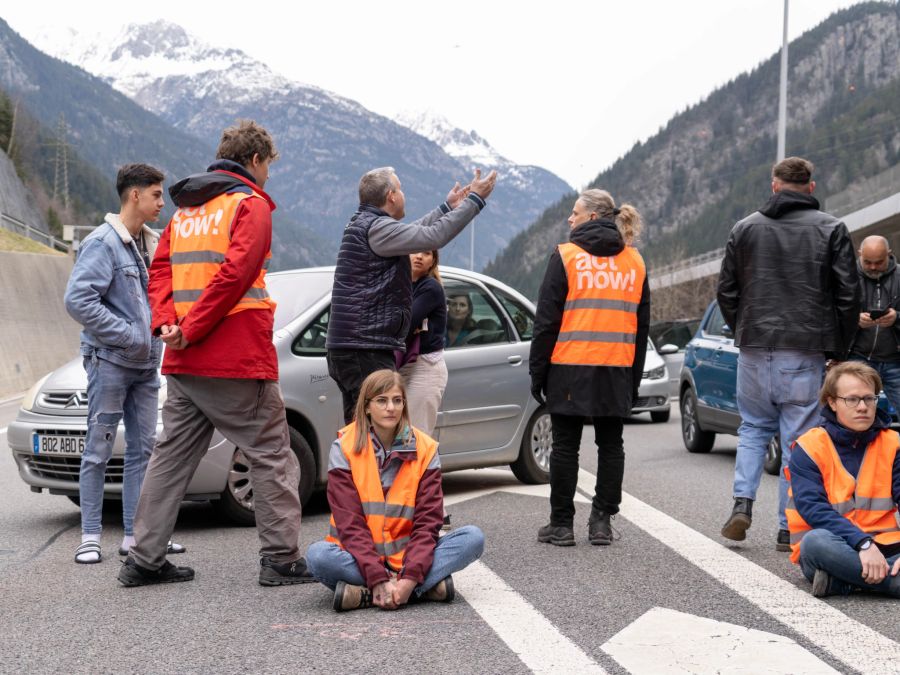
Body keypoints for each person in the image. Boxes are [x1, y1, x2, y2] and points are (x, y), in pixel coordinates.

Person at [119, 120, 311, 587]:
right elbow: (237, 274)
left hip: (186, 362)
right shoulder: (251, 205)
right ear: (257, 160)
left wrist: (168, 323)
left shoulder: (185, 214)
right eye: (269, 167)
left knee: (170, 460)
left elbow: (159, 271)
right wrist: (192, 327)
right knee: (270, 454)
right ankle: (281, 558)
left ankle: (144, 559)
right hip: (235, 358)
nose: (268, 177)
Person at [717, 156, 859, 552]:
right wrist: (839, 350)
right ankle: (787, 526)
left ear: (774, 185)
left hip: (754, 346)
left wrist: (743, 326)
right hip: (805, 348)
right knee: (798, 438)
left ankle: (742, 502)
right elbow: (849, 294)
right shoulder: (832, 229)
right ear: (811, 187)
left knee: (752, 428)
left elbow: (726, 292)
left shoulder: (744, 229)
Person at [64, 163, 184, 564]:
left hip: (147, 365)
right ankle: (91, 535)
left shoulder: (150, 243)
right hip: (111, 361)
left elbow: (154, 300)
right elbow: (78, 300)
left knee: (143, 451)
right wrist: (130, 334)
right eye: (155, 195)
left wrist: (164, 328)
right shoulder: (103, 243)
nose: (161, 203)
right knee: (97, 449)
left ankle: (136, 536)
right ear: (135, 195)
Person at [326, 166, 497, 423]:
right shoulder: (377, 228)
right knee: (379, 431)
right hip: (366, 349)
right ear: (392, 196)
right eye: (401, 188)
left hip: (352, 346)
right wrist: (475, 200)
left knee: (360, 432)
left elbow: (415, 234)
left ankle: (358, 465)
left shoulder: (366, 225)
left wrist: (447, 207)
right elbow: (432, 236)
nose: (404, 194)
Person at [305, 370, 485, 611]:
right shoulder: (344, 447)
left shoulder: (425, 448)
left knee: (473, 538)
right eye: (382, 400)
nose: (391, 407)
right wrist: (377, 576)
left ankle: (369, 595)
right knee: (318, 556)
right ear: (367, 407)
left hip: (409, 558)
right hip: (359, 558)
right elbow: (350, 523)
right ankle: (422, 589)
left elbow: (427, 522)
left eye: (397, 400)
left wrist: (409, 579)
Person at [530, 189, 650, 547]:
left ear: (593, 218)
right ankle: (601, 523)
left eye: (575, 212)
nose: (570, 218)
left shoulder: (566, 257)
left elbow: (546, 321)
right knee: (611, 445)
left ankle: (562, 524)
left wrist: (538, 372)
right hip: (616, 367)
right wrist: (634, 378)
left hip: (570, 366)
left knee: (565, 447)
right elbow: (641, 328)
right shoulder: (635, 262)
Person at [786, 361, 900, 597]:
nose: (863, 407)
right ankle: (892, 583)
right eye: (852, 399)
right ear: (832, 402)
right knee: (815, 542)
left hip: (888, 547)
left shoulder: (893, 443)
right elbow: (814, 509)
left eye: (869, 399)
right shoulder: (809, 447)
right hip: (835, 545)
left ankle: (844, 582)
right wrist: (863, 544)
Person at [848, 235, 900, 413]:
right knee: (853, 416)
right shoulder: (847, 277)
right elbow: (830, 313)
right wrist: (854, 320)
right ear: (859, 253)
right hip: (857, 358)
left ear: (889, 254)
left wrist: (897, 318)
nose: (872, 267)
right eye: (868, 261)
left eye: (878, 262)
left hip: (895, 360)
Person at [400, 250, 448, 435]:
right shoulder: (400, 284)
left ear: (433, 262)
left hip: (425, 367)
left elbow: (405, 323)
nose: (419, 256)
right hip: (402, 365)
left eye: (426, 253)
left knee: (414, 436)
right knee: (399, 437)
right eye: (414, 250)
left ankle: (419, 465)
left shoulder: (431, 288)